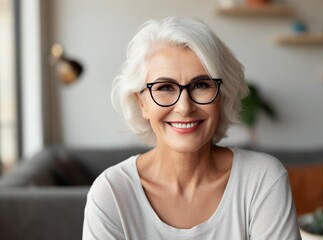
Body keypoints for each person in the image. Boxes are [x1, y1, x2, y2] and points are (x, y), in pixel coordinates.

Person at [82, 16, 301, 239]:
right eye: (165, 87)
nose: (184, 107)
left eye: (201, 85)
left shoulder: (262, 179)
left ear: (222, 96)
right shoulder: (111, 194)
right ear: (142, 104)